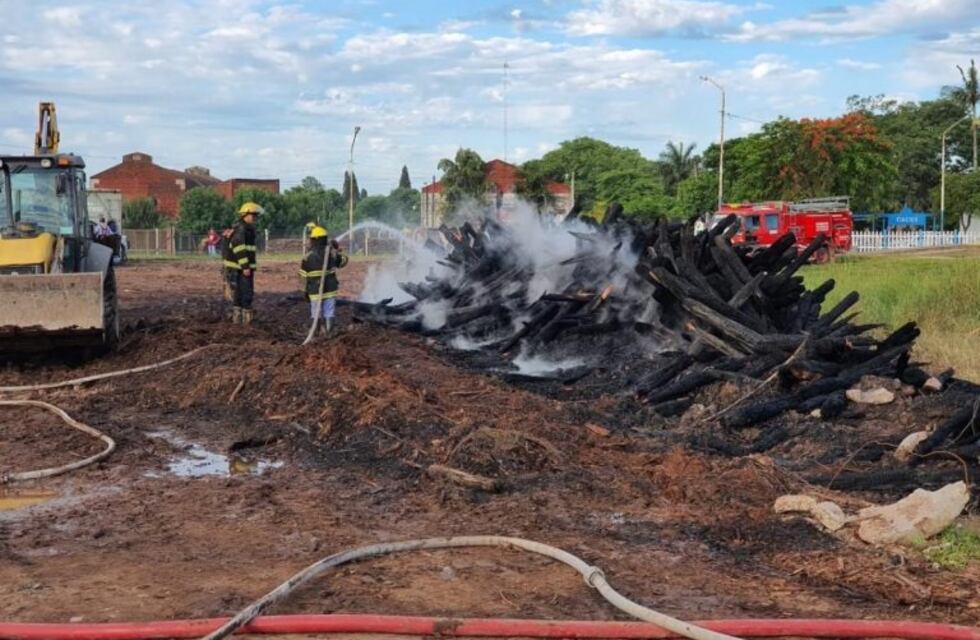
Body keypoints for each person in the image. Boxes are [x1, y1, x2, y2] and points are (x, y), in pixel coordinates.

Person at [299, 226, 348, 336]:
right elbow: (344, 261)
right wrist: (336, 250)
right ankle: (329, 332)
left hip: (314, 291)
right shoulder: (331, 254)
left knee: (315, 312)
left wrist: (304, 291)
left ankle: (315, 333)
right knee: (329, 311)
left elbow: (302, 277)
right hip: (330, 289)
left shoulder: (307, 257)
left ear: (314, 240)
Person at [222, 202, 262, 324]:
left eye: (256, 215)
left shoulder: (243, 228)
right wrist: (245, 266)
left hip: (237, 267)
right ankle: (246, 321)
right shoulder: (242, 229)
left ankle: (237, 320)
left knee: (238, 293)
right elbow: (239, 248)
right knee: (246, 292)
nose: (255, 218)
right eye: (253, 215)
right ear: (245, 214)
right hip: (240, 267)